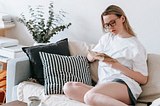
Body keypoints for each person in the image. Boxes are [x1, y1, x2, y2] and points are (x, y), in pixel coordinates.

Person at [63, 5, 148, 106]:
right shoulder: (106, 39)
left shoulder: (135, 45)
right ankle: (102, 100)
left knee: (89, 96)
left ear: (122, 18)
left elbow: (143, 79)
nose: (110, 27)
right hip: (104, 85)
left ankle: (96, 98)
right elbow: (89, 57)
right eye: (107, 25)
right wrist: (93, 56)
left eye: (113, 22)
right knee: (68, 87)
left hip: (124, 85)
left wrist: (118, 66)